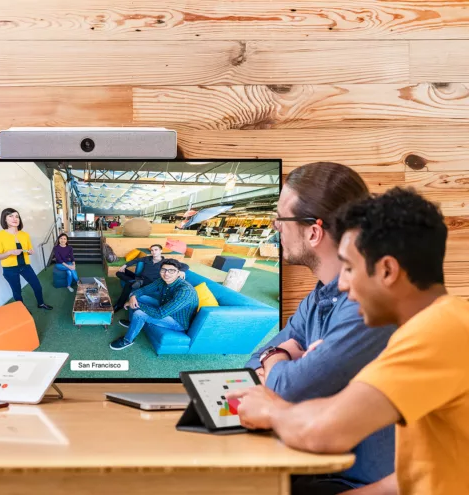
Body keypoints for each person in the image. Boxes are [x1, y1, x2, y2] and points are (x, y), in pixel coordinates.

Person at [229, 187, 469, 495]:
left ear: (387, 270)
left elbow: (326, 431)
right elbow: (417, 476)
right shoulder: (444, 323)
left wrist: (272, 409)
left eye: (349, 269)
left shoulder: (437, 331)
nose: (341, 284)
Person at [244, 162, 395, 494]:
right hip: (313, 462)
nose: (275, 227)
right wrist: (280, 355)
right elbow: (252, 365)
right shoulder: (318, 298)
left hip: (351, 480)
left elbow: (286, 390)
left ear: (313, 232)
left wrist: (283, 367)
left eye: (281, 219)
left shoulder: (368, 308)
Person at [110, 259, 198, 351]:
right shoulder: (162, 280)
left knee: (139, 314)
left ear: (178, 272)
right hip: (164, 306)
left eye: (171, 270)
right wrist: (133, 297)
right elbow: (144, 290)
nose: (166, 274)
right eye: (163, 270)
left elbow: (160, 314)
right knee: (136, 297)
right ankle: (132, 322)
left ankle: (127, 340)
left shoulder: (185, 291)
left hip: (177, 321)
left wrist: (135, 304)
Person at [0, 208, 53, 310]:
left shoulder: (24, 235)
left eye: (17, 216)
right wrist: (10, 252)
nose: (15, 218)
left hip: (25, 266)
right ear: (5, 219)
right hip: (10, 269)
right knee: (17, 291)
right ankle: (22, 311)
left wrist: (30, 252)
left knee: (37, 286)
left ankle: (41, 303)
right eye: (10, 216)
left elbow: (28, 250)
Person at [112, 244, 189, 312]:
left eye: (156, 250)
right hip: (140, 278)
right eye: (152, 250)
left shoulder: (166, 262)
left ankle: (119, 305)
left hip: (150, 282)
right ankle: (134, 281)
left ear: (161, 251)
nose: (153, 252)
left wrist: (182, 271)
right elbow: (136, 260)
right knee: (119, 272)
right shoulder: (147, 258)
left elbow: (185, 265)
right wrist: (125, 265)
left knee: (129, 283)